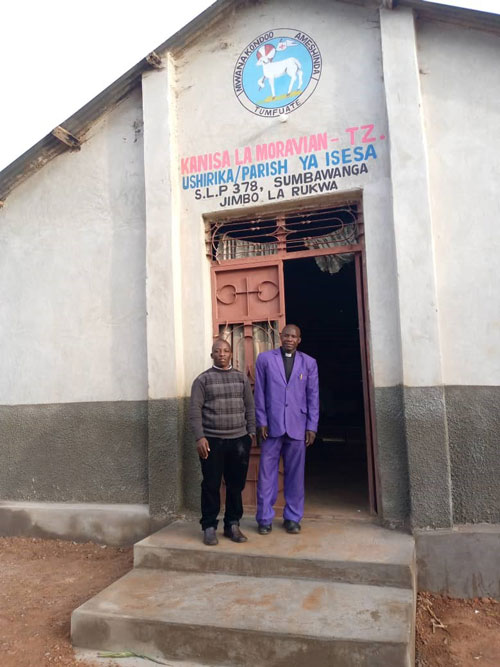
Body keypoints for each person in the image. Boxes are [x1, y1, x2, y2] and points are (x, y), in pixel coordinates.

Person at [190, 338, 256, 546]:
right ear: (212, 355)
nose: (221, 354)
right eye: (217, 351)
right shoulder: (202, 380)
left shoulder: (240, 379)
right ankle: (209, 526)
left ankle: (232, 525)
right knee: (210, 485)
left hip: (238, 440)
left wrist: (250, 434)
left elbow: (250, 406)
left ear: (231, 355)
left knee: (235, 485)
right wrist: (200, 437)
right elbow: (195, 411)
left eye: (225, 351)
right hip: (212, 441)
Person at [254, 324, 319, 534]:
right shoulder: (265, 359)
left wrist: (312, 426)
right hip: (271, 427)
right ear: (280, 337)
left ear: (299, 340)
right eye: (286, 335)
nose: (289, 339)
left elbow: (313, 396)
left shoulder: (309, 363)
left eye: (294, 336)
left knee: (295, 475)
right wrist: (261, 421)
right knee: (266, 475)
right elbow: (260, 393)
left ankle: (292, 518)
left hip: (297, 426)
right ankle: (264, 518)